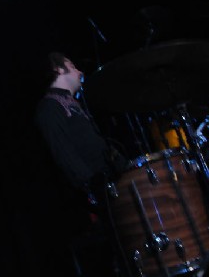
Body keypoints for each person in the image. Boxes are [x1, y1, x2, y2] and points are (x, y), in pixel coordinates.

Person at [33, 51, 129, 277]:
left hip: (109, 188)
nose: (79, 71)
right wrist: (91, 190)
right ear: (58, 69)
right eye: (72, 65)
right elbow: (64, 155)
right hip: (95, 198)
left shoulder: (72, 103)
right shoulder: (49, 107)